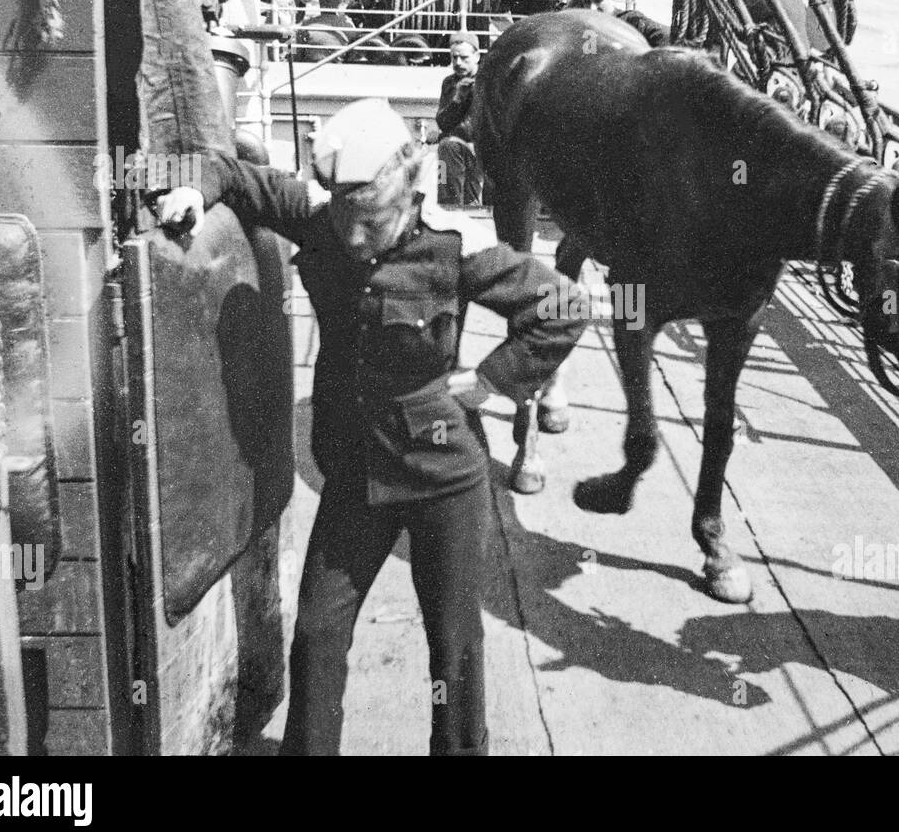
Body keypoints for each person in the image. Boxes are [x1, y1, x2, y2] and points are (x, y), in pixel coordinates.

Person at [155, 99, 588, 756]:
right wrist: (190, 191)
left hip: (444, 474)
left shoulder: (452, 248)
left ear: (403, 191)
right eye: (342, 215)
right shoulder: (324, 214)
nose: (351, 236)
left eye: (367, 220)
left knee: (454, 644)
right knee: (318, 632)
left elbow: (564, 305)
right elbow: (232, 172)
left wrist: (493, 380)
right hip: (356, 471)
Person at [437, 31, 486, 207]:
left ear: (477, 56)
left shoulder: (486, 82)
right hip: (455, 148)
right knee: (447, 147)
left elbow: (476, 127)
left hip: (481, 149)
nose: (458, 63)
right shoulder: (450, 83)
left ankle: (464, 206)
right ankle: (448, 206)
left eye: (464, 58)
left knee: (448, 145)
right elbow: (442, 122)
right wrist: (457, 99)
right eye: (454, 58)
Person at [570, 0, 671, 48]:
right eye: (587, 2)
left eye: (598, 1)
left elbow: (665, 35)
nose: (592, 8)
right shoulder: (580, 28)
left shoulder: (631, 20)